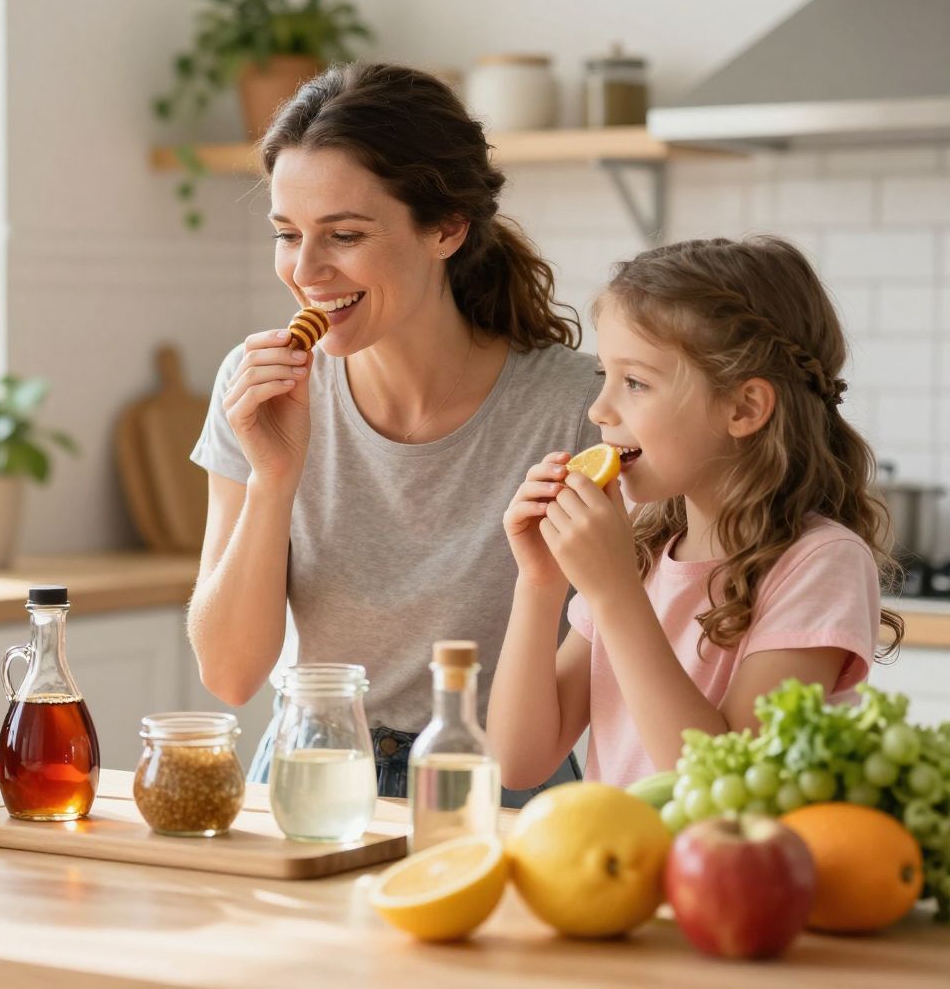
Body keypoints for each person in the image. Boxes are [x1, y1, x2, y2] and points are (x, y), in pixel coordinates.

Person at [187, 62, 602, 801]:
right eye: (288, 234)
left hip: (499, 781)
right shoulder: (256, 387)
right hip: (309, 773)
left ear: (446, 228)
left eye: (343, 234)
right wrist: (275, 478)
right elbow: (228, 673)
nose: (307, 270)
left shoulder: (578, 408)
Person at [491, 236, 903, 790]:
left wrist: (615, 594)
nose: (598, 409)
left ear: (743, 407)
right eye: (603, 377)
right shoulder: (642, 553)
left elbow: (728, 789)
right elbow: (517, 763)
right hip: (616, 870)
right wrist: (539, 583)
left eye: (634, 382)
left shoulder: (821, 564)